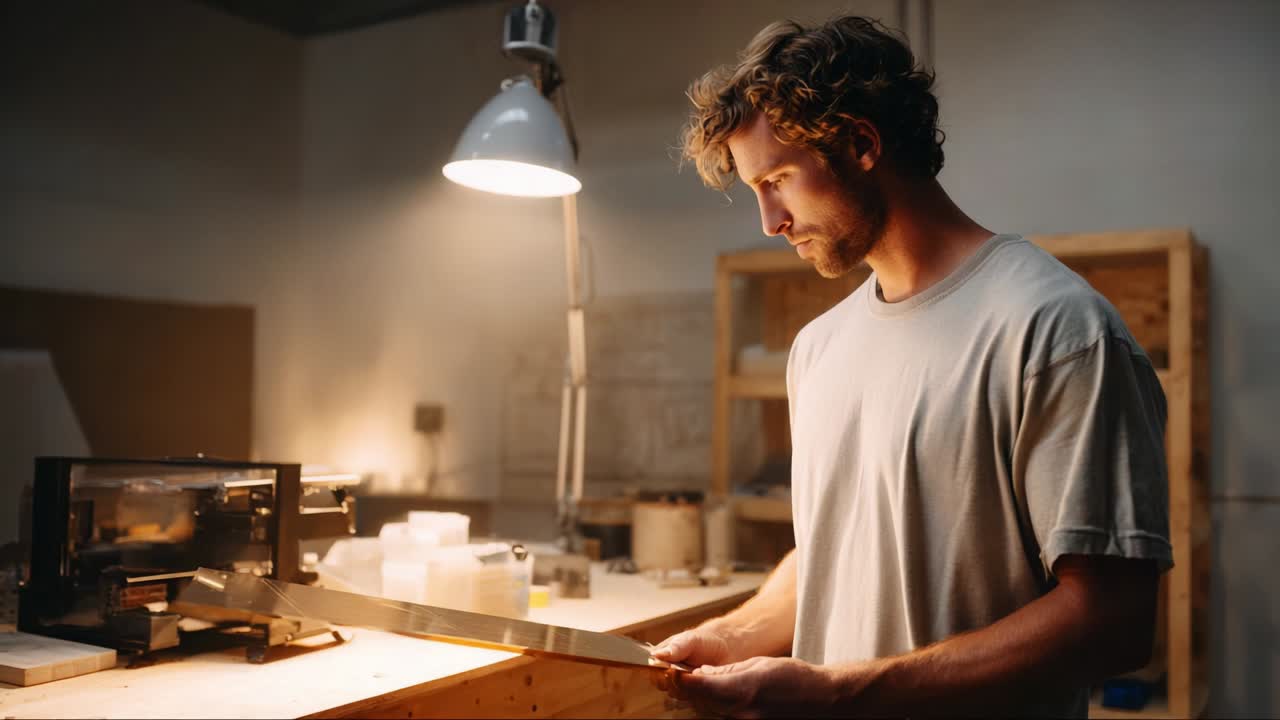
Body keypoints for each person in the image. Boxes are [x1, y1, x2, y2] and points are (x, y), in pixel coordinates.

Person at [650, 15, 1172, 718]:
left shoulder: (1056, 330)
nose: (770, 221)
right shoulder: (818, 349)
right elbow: (839, 547)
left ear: (862, 145)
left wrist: (841, 691)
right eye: (755, 190)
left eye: (779, 180)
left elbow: (1112, 619)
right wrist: (729, 636)